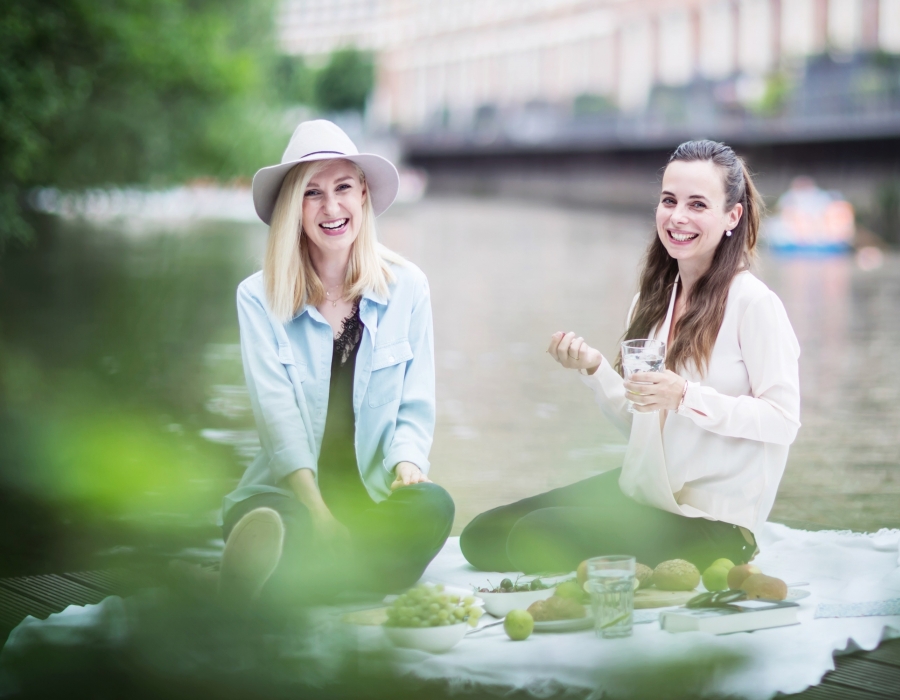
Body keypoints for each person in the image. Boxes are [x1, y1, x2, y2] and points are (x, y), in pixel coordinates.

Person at [460, 140, 800, 574]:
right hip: (647, 495)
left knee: (535, 534)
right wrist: (595, 369)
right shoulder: (653, 301)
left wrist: (685, 397)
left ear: (732, 216)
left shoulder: (753, 304)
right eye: (669, 200)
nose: (678, 217)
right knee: (483, 536)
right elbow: (642, 425)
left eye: (698, 204)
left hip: (713, 523)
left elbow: (783, 421)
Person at [218, 120, 453, 604]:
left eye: (343, 187)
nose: (331, 208)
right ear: (293, 208)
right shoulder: (257, 297)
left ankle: (301, 580)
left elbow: (415, 406)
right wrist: (320, 515)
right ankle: (349, 569)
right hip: (290, 499)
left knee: (434, 505)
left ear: (363, 194)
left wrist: (408, 465)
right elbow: (277, 421)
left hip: (371, 501)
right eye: (312, 193)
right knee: (279, 528)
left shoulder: (408, 286)